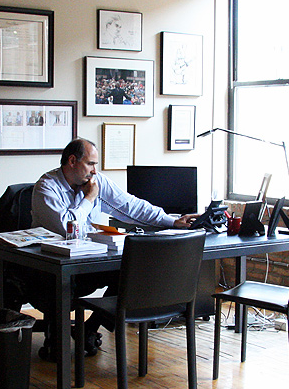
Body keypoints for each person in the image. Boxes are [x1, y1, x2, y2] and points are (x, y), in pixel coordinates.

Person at [31, 138, 197, 358]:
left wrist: (170, 221)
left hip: (90, 260)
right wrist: (89, 198)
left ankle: (89, 329)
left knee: (130, 273)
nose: (94, 171)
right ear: (72, 161)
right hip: (53, 266)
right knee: (59, 286)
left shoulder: (96, 180)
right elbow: (68, 226)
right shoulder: (46, 187)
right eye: (90, 164)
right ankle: (57, 337)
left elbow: (131, 206)